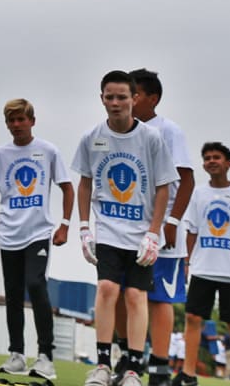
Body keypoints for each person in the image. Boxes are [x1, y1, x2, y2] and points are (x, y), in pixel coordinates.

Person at [74, 70, 176, 386]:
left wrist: (154, 232)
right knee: (107, 289)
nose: (115, 103)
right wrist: (83, 228)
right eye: (109, 97)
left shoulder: (150, 138)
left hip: (139, 232)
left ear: (133, 99)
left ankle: (132, 369)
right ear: (102, 98)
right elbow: (85, 182)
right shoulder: (92, 137)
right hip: (107, 229)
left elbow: (163, 187)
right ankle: (103, 365)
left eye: (122, 97)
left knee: (134, 295)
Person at [110, 69, 196, 386]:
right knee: (116, 291)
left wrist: (172, 221)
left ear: (152, 98)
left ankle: (160, 368)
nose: (127, 100)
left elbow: (186, 178)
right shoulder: (120, 131)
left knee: (159, 298)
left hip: (162, 231)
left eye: (134, 94)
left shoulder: (168, 131)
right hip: (126, 228)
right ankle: (128, 356)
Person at [0, 98, 74, 381]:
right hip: (8, 234)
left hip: (38, 233)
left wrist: (65, 226)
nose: (17, 125)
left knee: (35, 284)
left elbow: (67, 189)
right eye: (11, 120)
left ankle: (46, 356)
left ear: (32, 121)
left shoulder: (47, 151)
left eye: (22, 119)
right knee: (12, 294)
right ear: (7, 124)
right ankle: (17, 355)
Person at [177, 142, 230, 386]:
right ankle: (188, 374)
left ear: (228, 163)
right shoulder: (199, 194)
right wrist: (186, 262)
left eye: (216, 157)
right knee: (193, 317)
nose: (211, 161)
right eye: (207, 158)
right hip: (203, 267)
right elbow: (191, 229)